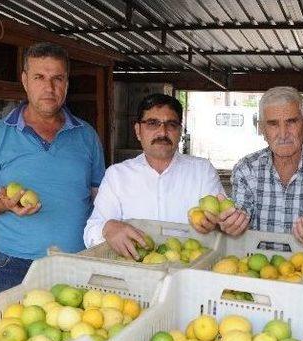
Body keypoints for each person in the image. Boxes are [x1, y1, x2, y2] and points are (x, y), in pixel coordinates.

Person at [0, 42, 105, 294]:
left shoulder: (87, 136)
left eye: (57, 78)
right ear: (25, 81)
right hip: (14, 264)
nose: (49, 88)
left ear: (66, 84)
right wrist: (3, 204)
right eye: (39, 77)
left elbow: (102, 200)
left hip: (76, 261)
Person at [83, 94, 224, 259]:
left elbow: (222, 222)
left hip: (191, 272)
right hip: (135, 275)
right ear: (138, 131)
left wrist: (222, 223)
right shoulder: (117, 175)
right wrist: (107, 228)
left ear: (180, 131)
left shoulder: (202, 171)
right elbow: (90, 233)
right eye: (152, 123)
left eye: (171, 124)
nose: (162, 132)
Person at [228, 86, 303, 246]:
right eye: (273, 124)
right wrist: (232, 221)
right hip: (258, 265)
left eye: (291, 122)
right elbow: (241, 213)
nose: (283, 134)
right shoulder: (246, 169)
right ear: (263, 130)